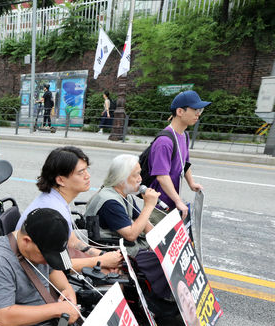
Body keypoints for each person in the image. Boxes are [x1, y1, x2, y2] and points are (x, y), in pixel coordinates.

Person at [16, 146, 123, 272]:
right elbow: (52, 266)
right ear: (61, 180)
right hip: (36, 271)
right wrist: (101, 261)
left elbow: (72, 241)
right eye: (80, 172)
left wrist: (102, 255)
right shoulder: (52, 211)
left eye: (86, 170)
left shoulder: (56, 200)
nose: (87, 176)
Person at [84, 154, 171, 300]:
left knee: (168, 253)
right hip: (113, 249)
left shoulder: (127, 196)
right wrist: (149, 206)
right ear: (121, 177)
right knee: (161, 261)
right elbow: (131, 235)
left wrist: (162, 240)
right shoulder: (109, 201)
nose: (140, 179)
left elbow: (143, 224)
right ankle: (160, 300)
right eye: (136, 175)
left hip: (128, 245)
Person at [147, 91, 208, 224]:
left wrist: (191, 183)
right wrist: (178, 201)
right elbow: (162, 176)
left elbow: (184, 162)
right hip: (159, 205)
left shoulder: (184, 135)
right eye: (196, 110)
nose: (198, 114)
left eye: (200, 110)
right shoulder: (164, 141)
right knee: (154, 243)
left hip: (172, 202)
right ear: (180, 111)